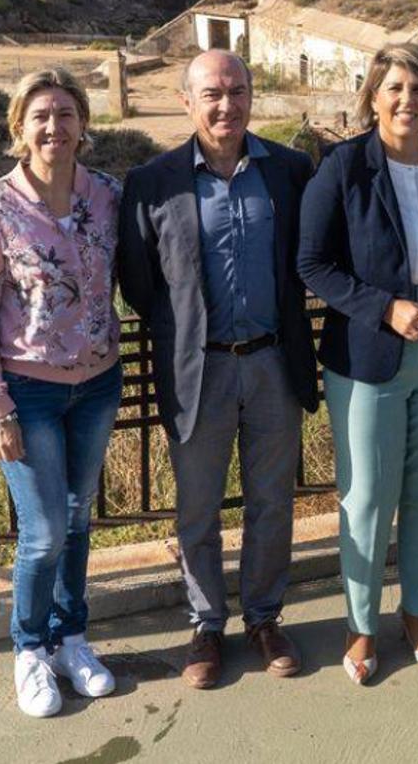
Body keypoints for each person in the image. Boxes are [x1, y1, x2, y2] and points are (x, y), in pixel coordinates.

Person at [297, 43, 418, 684]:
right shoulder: (343, 166)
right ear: (373, 97)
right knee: (365, 500)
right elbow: (313, 264)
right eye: (394, 88)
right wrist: (384, 309)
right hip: (369, 354)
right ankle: (360, 627)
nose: (407, 99)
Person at [118, 50, 318, 689]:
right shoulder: (154, 181)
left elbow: (307, 262)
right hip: (197, 371)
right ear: (187, 102)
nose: (225, 104)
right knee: (198, 509)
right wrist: (186, 332)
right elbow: (139, 283)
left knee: (272, 502)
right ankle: (207, 626)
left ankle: (264, 618)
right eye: (212, 93)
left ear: (252, 96)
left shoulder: (289, 170)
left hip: (272, 365)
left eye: (237, 91)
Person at [0, 69, 123, 717]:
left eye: (65, 114)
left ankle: (70, 639)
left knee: (79, 519)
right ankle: (29, 650)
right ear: (19, 128)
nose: (54, 127)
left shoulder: (106, 195)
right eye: (40, 116)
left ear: (83, 123)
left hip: (99, 385)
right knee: (44, 529)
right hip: (28, 394)